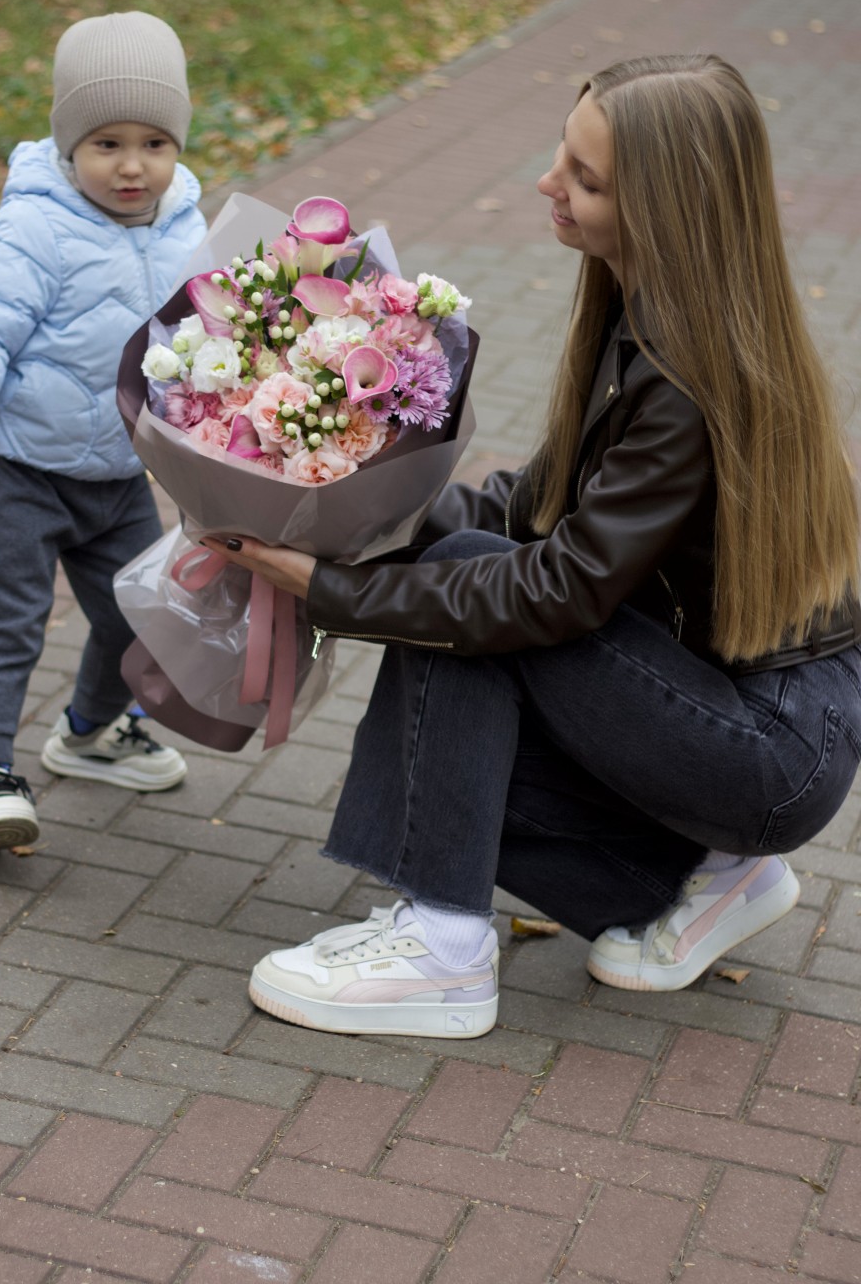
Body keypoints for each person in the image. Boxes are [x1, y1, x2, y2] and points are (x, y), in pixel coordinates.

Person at [203, 53, 861, 1040]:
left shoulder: (686, 374)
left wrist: (331, 586)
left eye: (587, 180)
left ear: (666, 212)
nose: (550, 182)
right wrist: (340, 497)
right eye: (565, 151)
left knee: (469, 600)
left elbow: (547, 594)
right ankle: (710, 876)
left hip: (771, 751)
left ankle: (444, 953)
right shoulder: (652, 318)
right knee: (458, 735)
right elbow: (535, 507)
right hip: (737, 712)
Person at [0, 11, 207, 850]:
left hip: (117, 477)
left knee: (140, 613)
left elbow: (203, 336)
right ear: (67, 143)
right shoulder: (37, 225)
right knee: (7, 621)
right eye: (106, 142)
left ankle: (86, 731)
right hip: (19, 470)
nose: (131, 165)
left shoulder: (186, 225)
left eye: (154, 142)